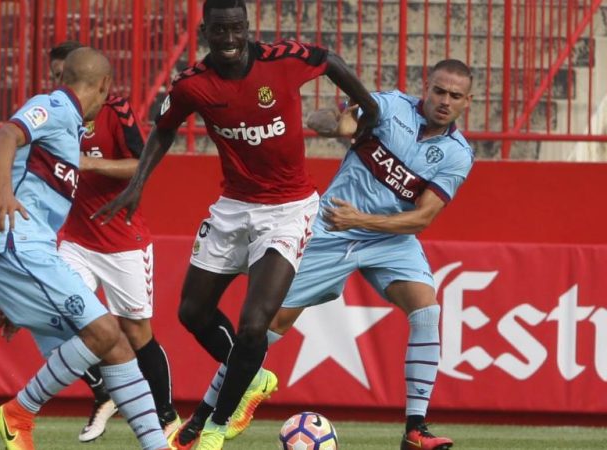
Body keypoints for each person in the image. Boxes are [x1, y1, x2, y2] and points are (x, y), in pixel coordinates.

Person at [94, 1, 379, 448]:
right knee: (192, 313)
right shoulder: (192, 84)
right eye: (219, 30)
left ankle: (215, 426)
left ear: (247, 28)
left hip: (289, 210)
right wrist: (138, 183)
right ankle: (252, 376)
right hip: (233, 207)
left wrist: (370, 110)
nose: (229, 39)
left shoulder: (282, 60)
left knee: (253, 325)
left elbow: (331, 62)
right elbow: (164, 129)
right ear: (205, 31)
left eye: (236, 29)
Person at [268, 59, 475, 450]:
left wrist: (361, 220)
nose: (445, 101)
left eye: (455, 95)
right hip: (332, 226)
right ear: (426, 87)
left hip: (388, 238)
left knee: (426, 310)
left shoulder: (457, 154)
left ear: (468, 101)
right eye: (439, 91)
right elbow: (330, 120)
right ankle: (212, 413)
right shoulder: (389, 107)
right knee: (269, 323)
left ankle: (416, 431)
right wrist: (334, 122)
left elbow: (422, 218)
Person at [0, 47, 169, 450]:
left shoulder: (69, 127)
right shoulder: (55, 108)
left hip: (31, 257)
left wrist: (21, 294)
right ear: (104, 85)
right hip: (19, 245)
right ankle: (19, 411)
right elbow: (5, 135)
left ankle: (157, 446)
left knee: (116, 345)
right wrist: (5, 194)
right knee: (104, 331)